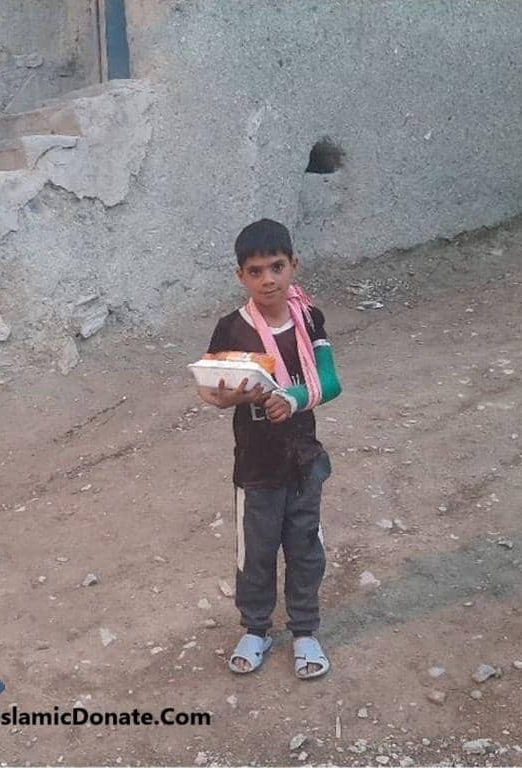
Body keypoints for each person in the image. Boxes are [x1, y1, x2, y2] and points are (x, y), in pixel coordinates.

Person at [196, 218, 343, 679]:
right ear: (241, 276)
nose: (268, 279)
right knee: (255, 553)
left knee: (305, 549)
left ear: (293, 265)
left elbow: (330, 382)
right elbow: (212, 391)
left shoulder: (308, 319)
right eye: (256, 271)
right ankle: (255, 629)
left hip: (304, 461)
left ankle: (304, 631)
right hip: (256, 466)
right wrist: (240, 394)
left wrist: (292, 398)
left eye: (277, 267)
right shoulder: (231, 328)